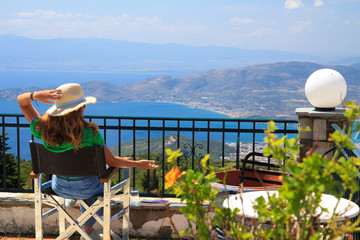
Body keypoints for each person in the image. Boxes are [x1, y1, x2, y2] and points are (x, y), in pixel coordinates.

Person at [17, 83, 158, 240]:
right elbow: (112, 162)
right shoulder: (90, 133)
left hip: (60, 188)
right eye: (83, 106)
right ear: (80, 109)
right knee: (97, 179)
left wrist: (36, 95)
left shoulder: (42, 128)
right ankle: (87, 231)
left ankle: (74, 206)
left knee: (78, 173)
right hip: (88, 189)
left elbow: (21, 101)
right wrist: (139, 163)